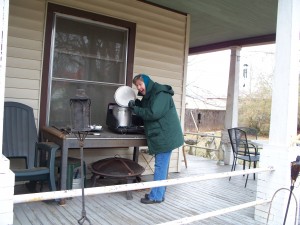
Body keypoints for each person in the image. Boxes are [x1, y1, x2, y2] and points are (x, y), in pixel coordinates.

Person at [128, 74, 184, 204]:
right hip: (162, 135)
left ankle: (156, 196)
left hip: (165, 136)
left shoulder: (161, 94)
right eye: (137, 85)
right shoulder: (150, 95)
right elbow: (145, 107)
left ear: (147, 82)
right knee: (162, 166)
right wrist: (136, 103)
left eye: (140, 84)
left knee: (160, 166)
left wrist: (135, 109)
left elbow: (153, 113)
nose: (139, 87)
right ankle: (159, 193)